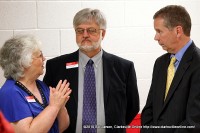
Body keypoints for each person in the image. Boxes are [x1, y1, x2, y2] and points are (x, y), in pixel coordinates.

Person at [43, 8, 139, 133]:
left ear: (102, 34)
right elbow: (45, 104)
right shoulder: (56, 67)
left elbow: (132, 106)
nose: (85, 35)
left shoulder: (124, 67)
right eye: (80, 31)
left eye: (91, 30)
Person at [141, 5, 200, 133]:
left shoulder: (198, 63)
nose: (156, 37)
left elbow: (194, 122)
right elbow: (149, 110)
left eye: (159, 31)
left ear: (178, 31)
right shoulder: (160, 63)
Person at [0, 35, 72, 133]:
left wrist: (60, 106)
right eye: (39, 55)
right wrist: (54, 106)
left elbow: (61, 127)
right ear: (24, 62)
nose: (44, 58)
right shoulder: (10, 92)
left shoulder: (41, 86)